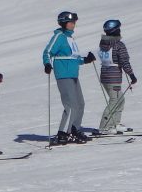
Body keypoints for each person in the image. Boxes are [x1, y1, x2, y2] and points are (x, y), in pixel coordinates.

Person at [42, 11, 95, 145]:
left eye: (74, 22)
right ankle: (63, 133)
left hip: (73, 74)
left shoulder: (70, 38)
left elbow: (73, 58)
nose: (73, 25)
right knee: (70, 105)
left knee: (80, 104)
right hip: (63, 74)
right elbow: (47, 52)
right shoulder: (59, 36)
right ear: (64, 23)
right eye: (71, 22)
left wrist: (86, 60)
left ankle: (74, 129)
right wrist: (47, 64)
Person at [97, 19, 137, 134]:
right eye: (118, 29)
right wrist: (132, 75)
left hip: (105, 75)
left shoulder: (103, 43)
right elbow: (124, 61)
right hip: (113, 77)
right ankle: (104, 127)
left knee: (120, 100)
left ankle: (115, 123)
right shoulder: (119, 45)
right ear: (115, 31)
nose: (120, 31)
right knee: (114, 101)